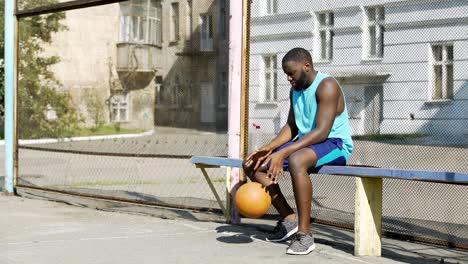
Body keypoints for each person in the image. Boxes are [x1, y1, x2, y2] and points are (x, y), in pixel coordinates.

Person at [243, 47, 353, 255]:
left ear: (307, 66)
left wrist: (283, 153)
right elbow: (292, 127)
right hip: (306, 144)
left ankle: (304, 234)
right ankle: (289, 219)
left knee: (296, 160)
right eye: (286, 74)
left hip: (335, 144)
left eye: (291, 73)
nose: (288, 78)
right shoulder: (296, 89)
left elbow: (321, 132)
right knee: (252, 164)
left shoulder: (327, 86)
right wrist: (270, 148)